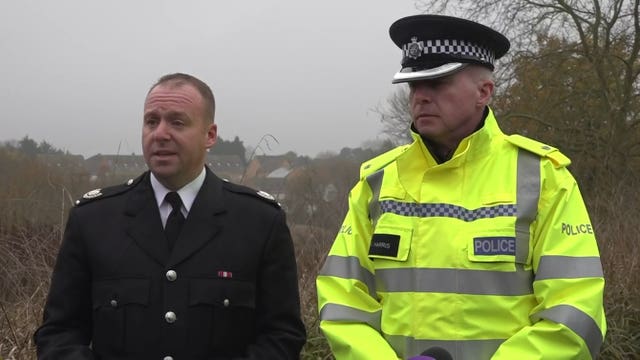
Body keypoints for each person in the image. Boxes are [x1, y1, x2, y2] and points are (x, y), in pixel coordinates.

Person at [316, 14, 606, 360]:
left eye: (437, 83)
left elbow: (575, 311)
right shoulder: (376, 183)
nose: (420, 97)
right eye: (413, 85)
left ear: (484, 92)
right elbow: (342, 302)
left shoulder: (543, 179)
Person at [34, 73, 306, 359]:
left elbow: (282, 336)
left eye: (177, 122)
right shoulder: (93, 220)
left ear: (210, 135)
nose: (160, 134)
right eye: (151, 121)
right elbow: (59, 334)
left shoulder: (259, 223)